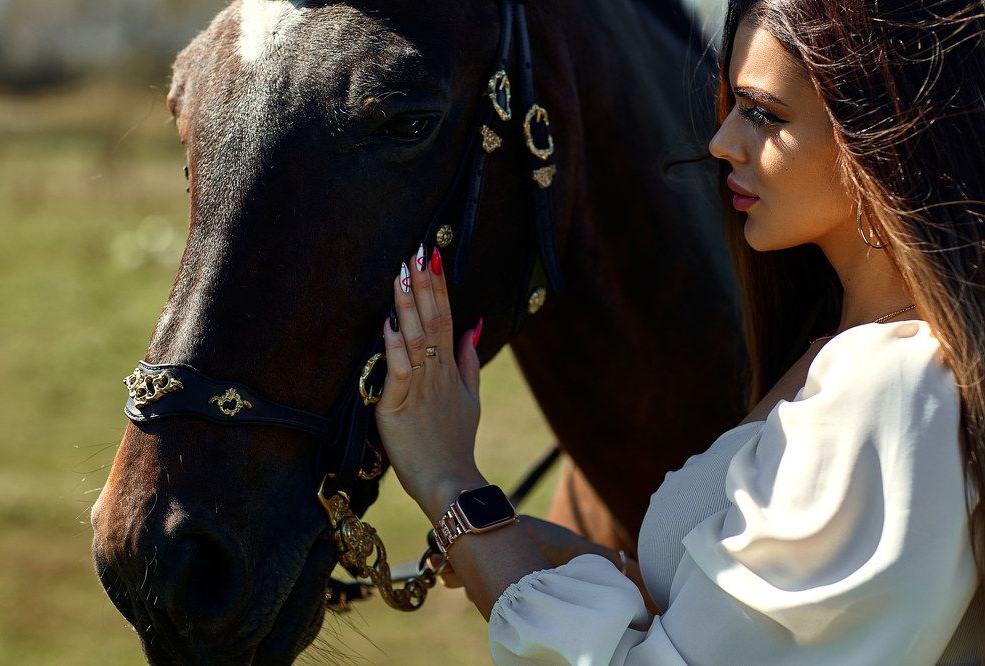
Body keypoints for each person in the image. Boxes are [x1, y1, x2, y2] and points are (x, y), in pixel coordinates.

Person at [373, 0, 985, 662]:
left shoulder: (889, 389)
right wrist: (581, 561)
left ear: (887, 138)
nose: (721, 142)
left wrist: (448, 481)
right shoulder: (850, 355)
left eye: (764, 114)